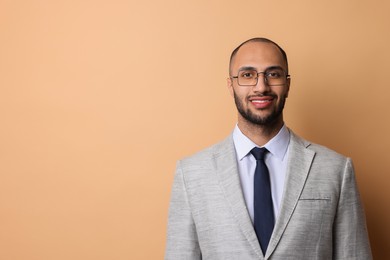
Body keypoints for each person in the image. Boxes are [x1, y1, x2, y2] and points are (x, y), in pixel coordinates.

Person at [165, 37, 372, 259]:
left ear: (288, 84)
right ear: (231, 84)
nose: (261, 86)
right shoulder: (191, 174)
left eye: (273, 74)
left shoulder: (336, 169)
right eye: (247, 75)